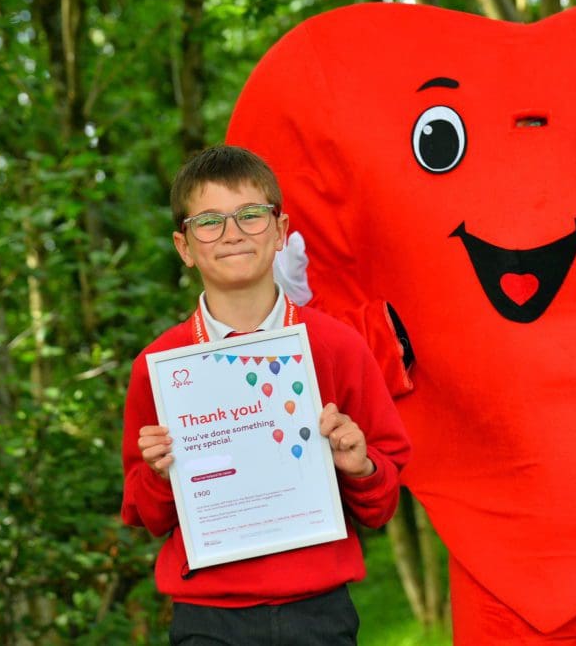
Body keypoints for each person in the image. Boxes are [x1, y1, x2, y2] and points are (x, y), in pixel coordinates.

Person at [120, 145, 411, 645]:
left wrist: (359, 465)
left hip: (317, 612)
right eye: (209, 221)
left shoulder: (338, 347)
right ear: (184, 246)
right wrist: (158, 472)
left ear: (279, 232)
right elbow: (145, 514)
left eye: (251, 215)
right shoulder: (160, 367)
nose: (232, 233)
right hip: (207, 619)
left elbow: (381, 502)